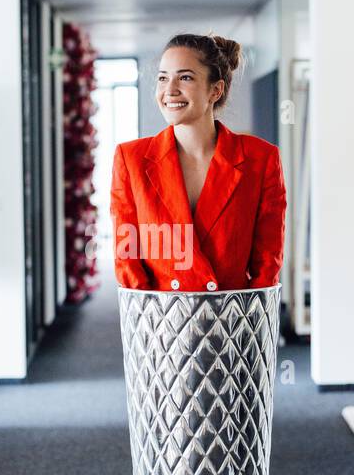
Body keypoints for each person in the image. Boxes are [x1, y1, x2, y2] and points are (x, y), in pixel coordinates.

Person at [110, 32, 286, 292]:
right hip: (161, 321)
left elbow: (267, 260)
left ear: (215, 90)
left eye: (185, 77)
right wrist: (154, 320)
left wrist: (248, 323)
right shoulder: (131, 159)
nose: (169, 90)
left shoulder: (260, 159)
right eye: (162, 78)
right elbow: (127, 256)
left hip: (232, 320)